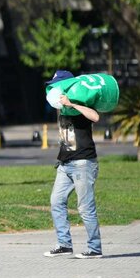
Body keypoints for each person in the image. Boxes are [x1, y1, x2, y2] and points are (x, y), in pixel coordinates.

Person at [43, 70, 103, 259]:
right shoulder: (60, 107)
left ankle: (95, 249)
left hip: (83, 162)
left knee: (85, 207)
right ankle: (64, 244)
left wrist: (72, 103)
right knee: (56, 201)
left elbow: (95, 117)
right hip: (65, 163)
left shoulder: (80, 102)